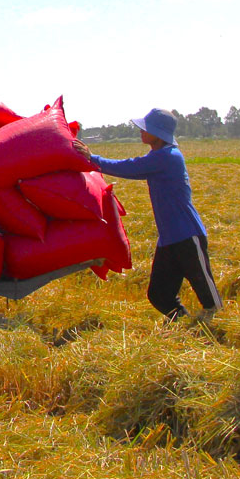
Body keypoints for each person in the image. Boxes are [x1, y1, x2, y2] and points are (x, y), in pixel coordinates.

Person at [73, 108, 221, 320]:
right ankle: (182, 323)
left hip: (188, 235)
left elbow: (130, 167)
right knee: (159, 295)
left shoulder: (168, 157)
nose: (141, 131)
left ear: (159, 133)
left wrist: (92, 158)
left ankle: (217, 324)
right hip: (168, 239)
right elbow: (134, 167)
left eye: (146, 128)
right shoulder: (158, 156)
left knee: (206, 292)